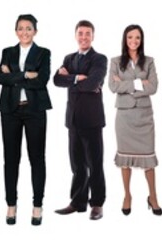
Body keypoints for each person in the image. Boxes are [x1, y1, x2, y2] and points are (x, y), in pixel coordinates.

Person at [0, 14, 52, 226]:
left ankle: (37, 205)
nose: (24, 32)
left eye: (29, 28)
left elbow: (42, 80)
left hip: (35, 110)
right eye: (20, 28)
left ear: (35, 31)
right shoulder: (7, 52)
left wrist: (14, 75)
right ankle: (11, 204)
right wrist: (27, 75)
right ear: (16, 31)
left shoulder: (43, 53)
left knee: (37, 158)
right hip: (10, 111)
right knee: (10, 159)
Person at [52, 20, 108, 220]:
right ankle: (77, 202)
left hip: (92, 120)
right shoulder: (69, 58)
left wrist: (73, 79)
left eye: (87, 33)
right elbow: (56, 80)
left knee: (95, 164)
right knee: (76, 165)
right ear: (75, 35)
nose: (84, 37)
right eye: (80, 33)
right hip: (73, 120)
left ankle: (97, 204)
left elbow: (94, 82)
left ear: (93, 36)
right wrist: (78, 78)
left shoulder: (100, 59)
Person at [109, 25, 162, 215]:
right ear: (125, 39)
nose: (134, 41)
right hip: (124, 117)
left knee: (148, 158)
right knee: (125, 160)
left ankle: (153, 196)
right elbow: (112, 86)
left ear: (142, 40)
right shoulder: (115, 61)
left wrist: (125, 84)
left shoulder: (149, 61)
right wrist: (140, 83)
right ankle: (127, 196)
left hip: (144, 116)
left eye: (138, 38)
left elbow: (154, 87)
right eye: (130, 37)